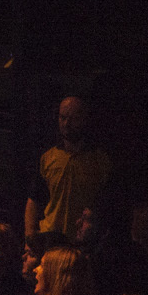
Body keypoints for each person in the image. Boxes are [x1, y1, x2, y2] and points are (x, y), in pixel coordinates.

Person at [24, 95, 111, 237]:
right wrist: (30, 233)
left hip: (82, 238)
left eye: (73, 119)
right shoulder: (48, 157)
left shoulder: (99, 160)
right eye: (62, 117)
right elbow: (34, 198)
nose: (66, 124)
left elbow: (106, 202)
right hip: (51, 235)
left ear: (85, 120)